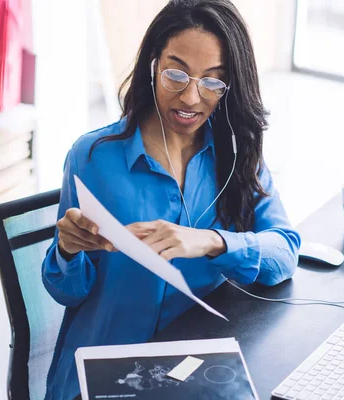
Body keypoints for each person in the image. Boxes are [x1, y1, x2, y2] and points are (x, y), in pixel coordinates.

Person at [41, 1, 300, 398]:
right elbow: (66, 291)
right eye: (176, 73)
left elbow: (285, 252)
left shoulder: (238, 157)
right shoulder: (92, 157)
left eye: (213, 82)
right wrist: (67, 250)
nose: (192, 98)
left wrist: (213, 241)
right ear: (153, 65)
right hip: (103, 372)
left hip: (194, 368)